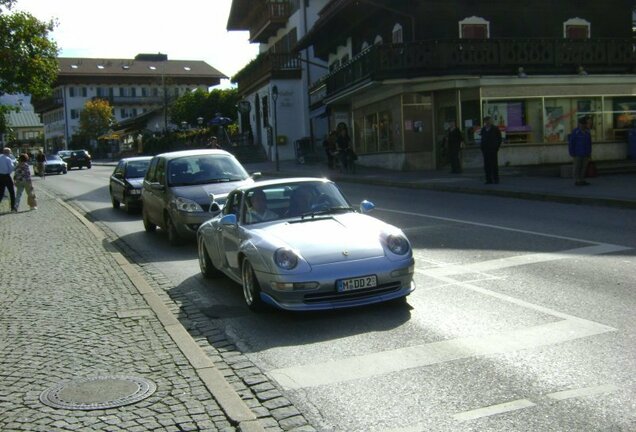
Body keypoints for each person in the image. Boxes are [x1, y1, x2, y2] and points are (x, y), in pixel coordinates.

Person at [568, 116, 592, 186]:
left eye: (584, 124)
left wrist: (589, 153)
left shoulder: (587, 132)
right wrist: (572, 153)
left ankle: (582, 180)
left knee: (584, 168)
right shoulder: (575, 132)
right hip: (577, 153)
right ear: (579, 124)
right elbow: (571, 143)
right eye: (582, 124)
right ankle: (577, 180)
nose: (583, 125)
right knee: (577, 167)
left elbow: (589, 143)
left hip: (586, 153)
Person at [479, 116, 502, 184]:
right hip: (485, 150)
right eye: (486, 121)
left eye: (488, 121)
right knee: (487, 166)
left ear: (490, 121)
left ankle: (496, 179)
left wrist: (496, 147)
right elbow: (482, 139)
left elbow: (499, 138)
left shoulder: (495, 129)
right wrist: (482, 147)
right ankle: (488, 179)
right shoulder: (483, 129)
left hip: (493, 150)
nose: (487, 122)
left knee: (494, 165)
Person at [0, 147, 17, 212]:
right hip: (6, 176)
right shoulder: (8, 159)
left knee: (1, 192)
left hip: (0, 176)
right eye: (10, 152)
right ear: (8, 153)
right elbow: (12, 168)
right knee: (11, 192)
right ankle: (13, 207)